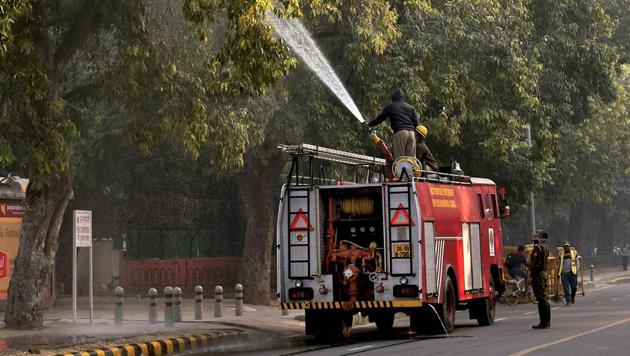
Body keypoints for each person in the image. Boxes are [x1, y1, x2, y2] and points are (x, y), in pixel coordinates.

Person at [364, 89, 419, 160]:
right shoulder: (411, 108)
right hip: (411, 133)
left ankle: (400, 171)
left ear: (393, 97)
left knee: (400, 159)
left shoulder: (391, 106)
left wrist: (370, 124)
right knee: (411, 160)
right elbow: (417, 124)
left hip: (400, 132)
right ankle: (411, 171)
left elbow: (380, 118)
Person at [529, 229, 551, 329]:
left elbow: (536, 264)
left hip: (538, 274)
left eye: (537, 233)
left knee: (541, 298)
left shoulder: (538, 247)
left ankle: (543, 322)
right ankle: (547, 321)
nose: (534, 234)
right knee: (544, 297)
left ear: (540, 237)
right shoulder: (545, 247)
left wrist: (531, 274)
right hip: (543, 273)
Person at [558, 241, 580, 306]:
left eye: (567, 246)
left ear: (569, 247)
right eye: (565, 246)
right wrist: (558, 273)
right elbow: (559, 264)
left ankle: (572, 297)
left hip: (572, 272)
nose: (566, 248)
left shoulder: (574, 253)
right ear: (563, 247)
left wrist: (576, 270)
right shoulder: (561, 254)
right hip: (564, 273)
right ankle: (568, 301)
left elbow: (577, 263)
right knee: (566, 288)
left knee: (574, 288)